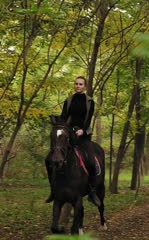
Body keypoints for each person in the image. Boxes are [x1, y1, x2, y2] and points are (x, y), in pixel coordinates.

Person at [46, 76, 101, 207]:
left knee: (92, 162)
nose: (78, 86)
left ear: (85, 86)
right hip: (69, 135)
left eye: (81, 84)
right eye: (76, 84)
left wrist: (82, 130)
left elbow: (88, 119)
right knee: (48, 159)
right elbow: (64, 116)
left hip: (83, 136)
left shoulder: (89, 102)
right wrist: (57, 121)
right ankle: (53, 190)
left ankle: (92, 192)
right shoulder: (69, 100)